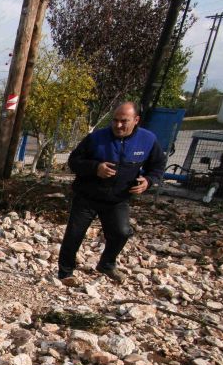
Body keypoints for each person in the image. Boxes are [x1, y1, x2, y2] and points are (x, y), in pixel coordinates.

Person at [57, 101, 166, 285]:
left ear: (136, 120)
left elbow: (158, 166)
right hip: (87, 197)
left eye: (124, 121)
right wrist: (95, 168)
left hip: (117, 199)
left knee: (122, 233)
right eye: (115, 120)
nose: (118, 125)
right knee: (74, 234)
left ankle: (106, 264)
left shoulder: (147, 140)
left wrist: (148, 181)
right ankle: (65, 273)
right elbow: (74, 161)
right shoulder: (96, 138)